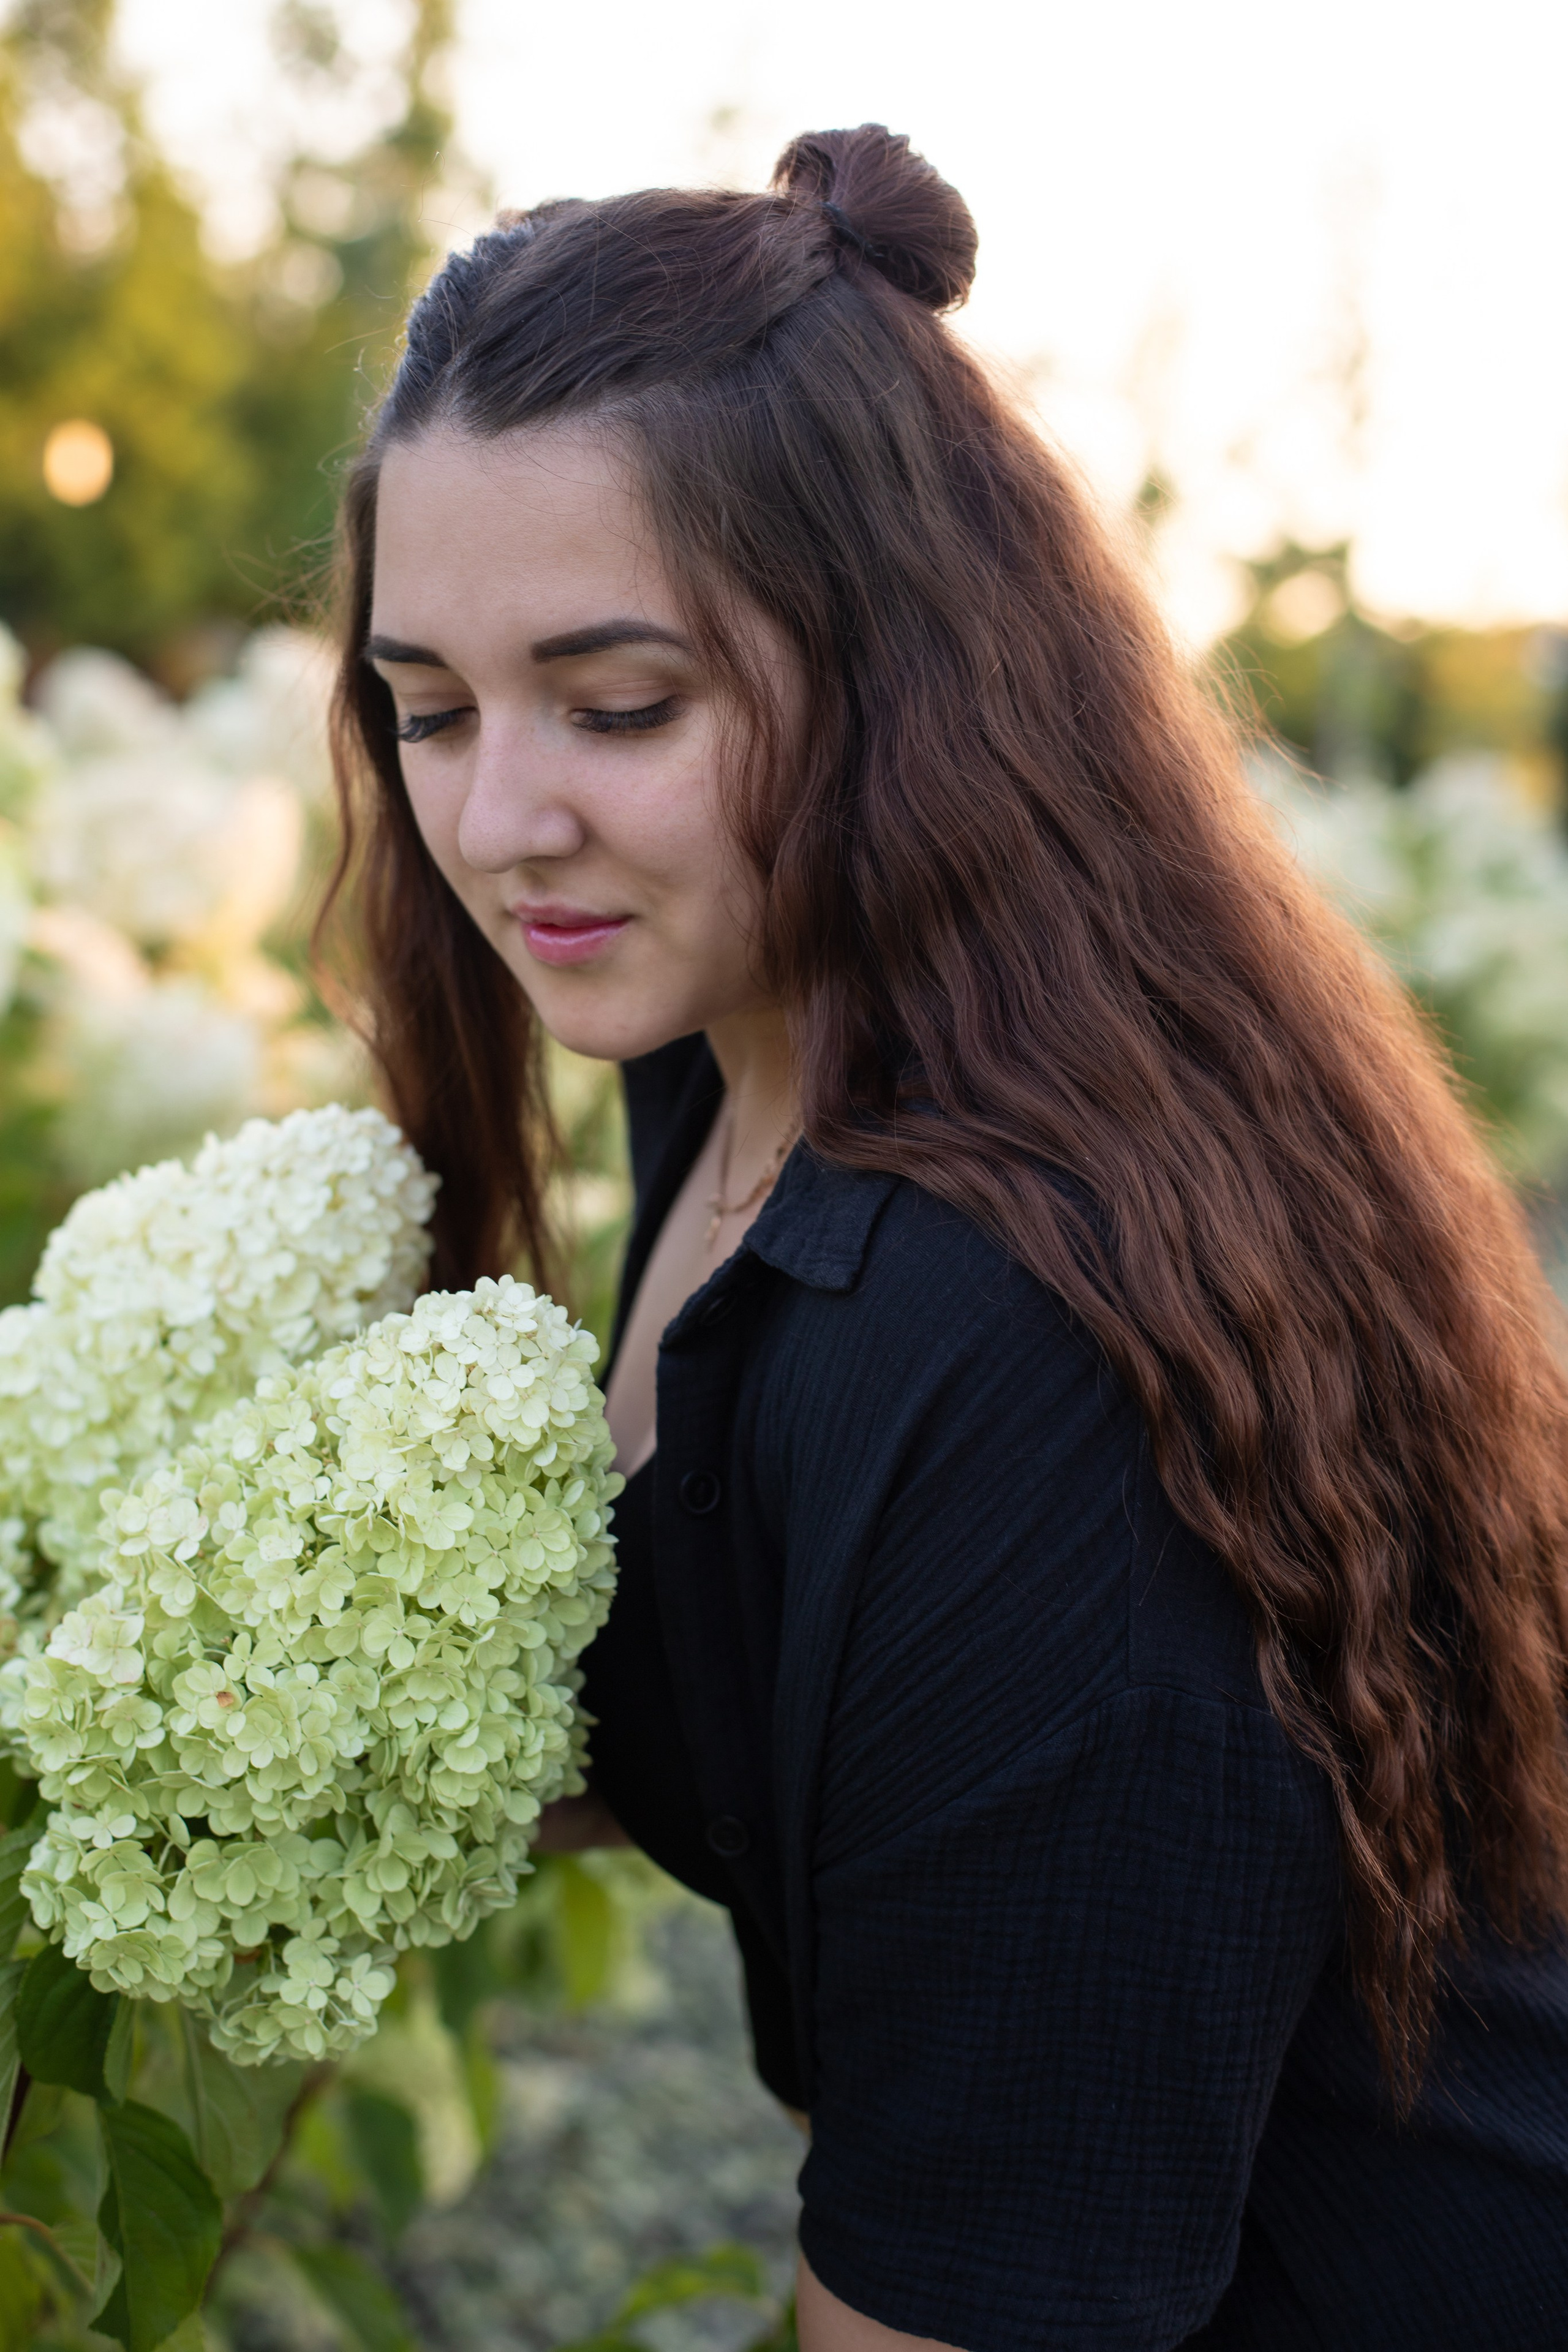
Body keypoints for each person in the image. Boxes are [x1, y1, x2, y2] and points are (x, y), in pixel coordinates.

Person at [325, 124, 1568, 2351]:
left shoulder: (1024, 1349)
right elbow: (711, 1664)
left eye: (621, 707)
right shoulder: (732, 1047)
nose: (498, 821)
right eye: (426, 709)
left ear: (905, 672)